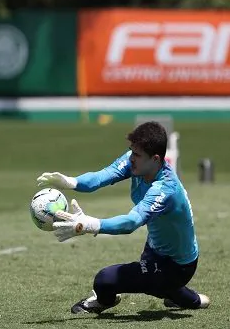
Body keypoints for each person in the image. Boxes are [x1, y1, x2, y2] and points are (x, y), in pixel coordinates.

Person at [37, 121, 210, 314]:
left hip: (177, 266)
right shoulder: (136, 163)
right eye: (131, 151)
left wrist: (87, 224)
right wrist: (71, 182)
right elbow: (102, 176)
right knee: (158, 283)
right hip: (154, 249)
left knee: (104, 280)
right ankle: (190, 299)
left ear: (155, 159)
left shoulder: (165, 188)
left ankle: (105, 301)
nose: (131, 158)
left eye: (137, 155)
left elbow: (131, 222)